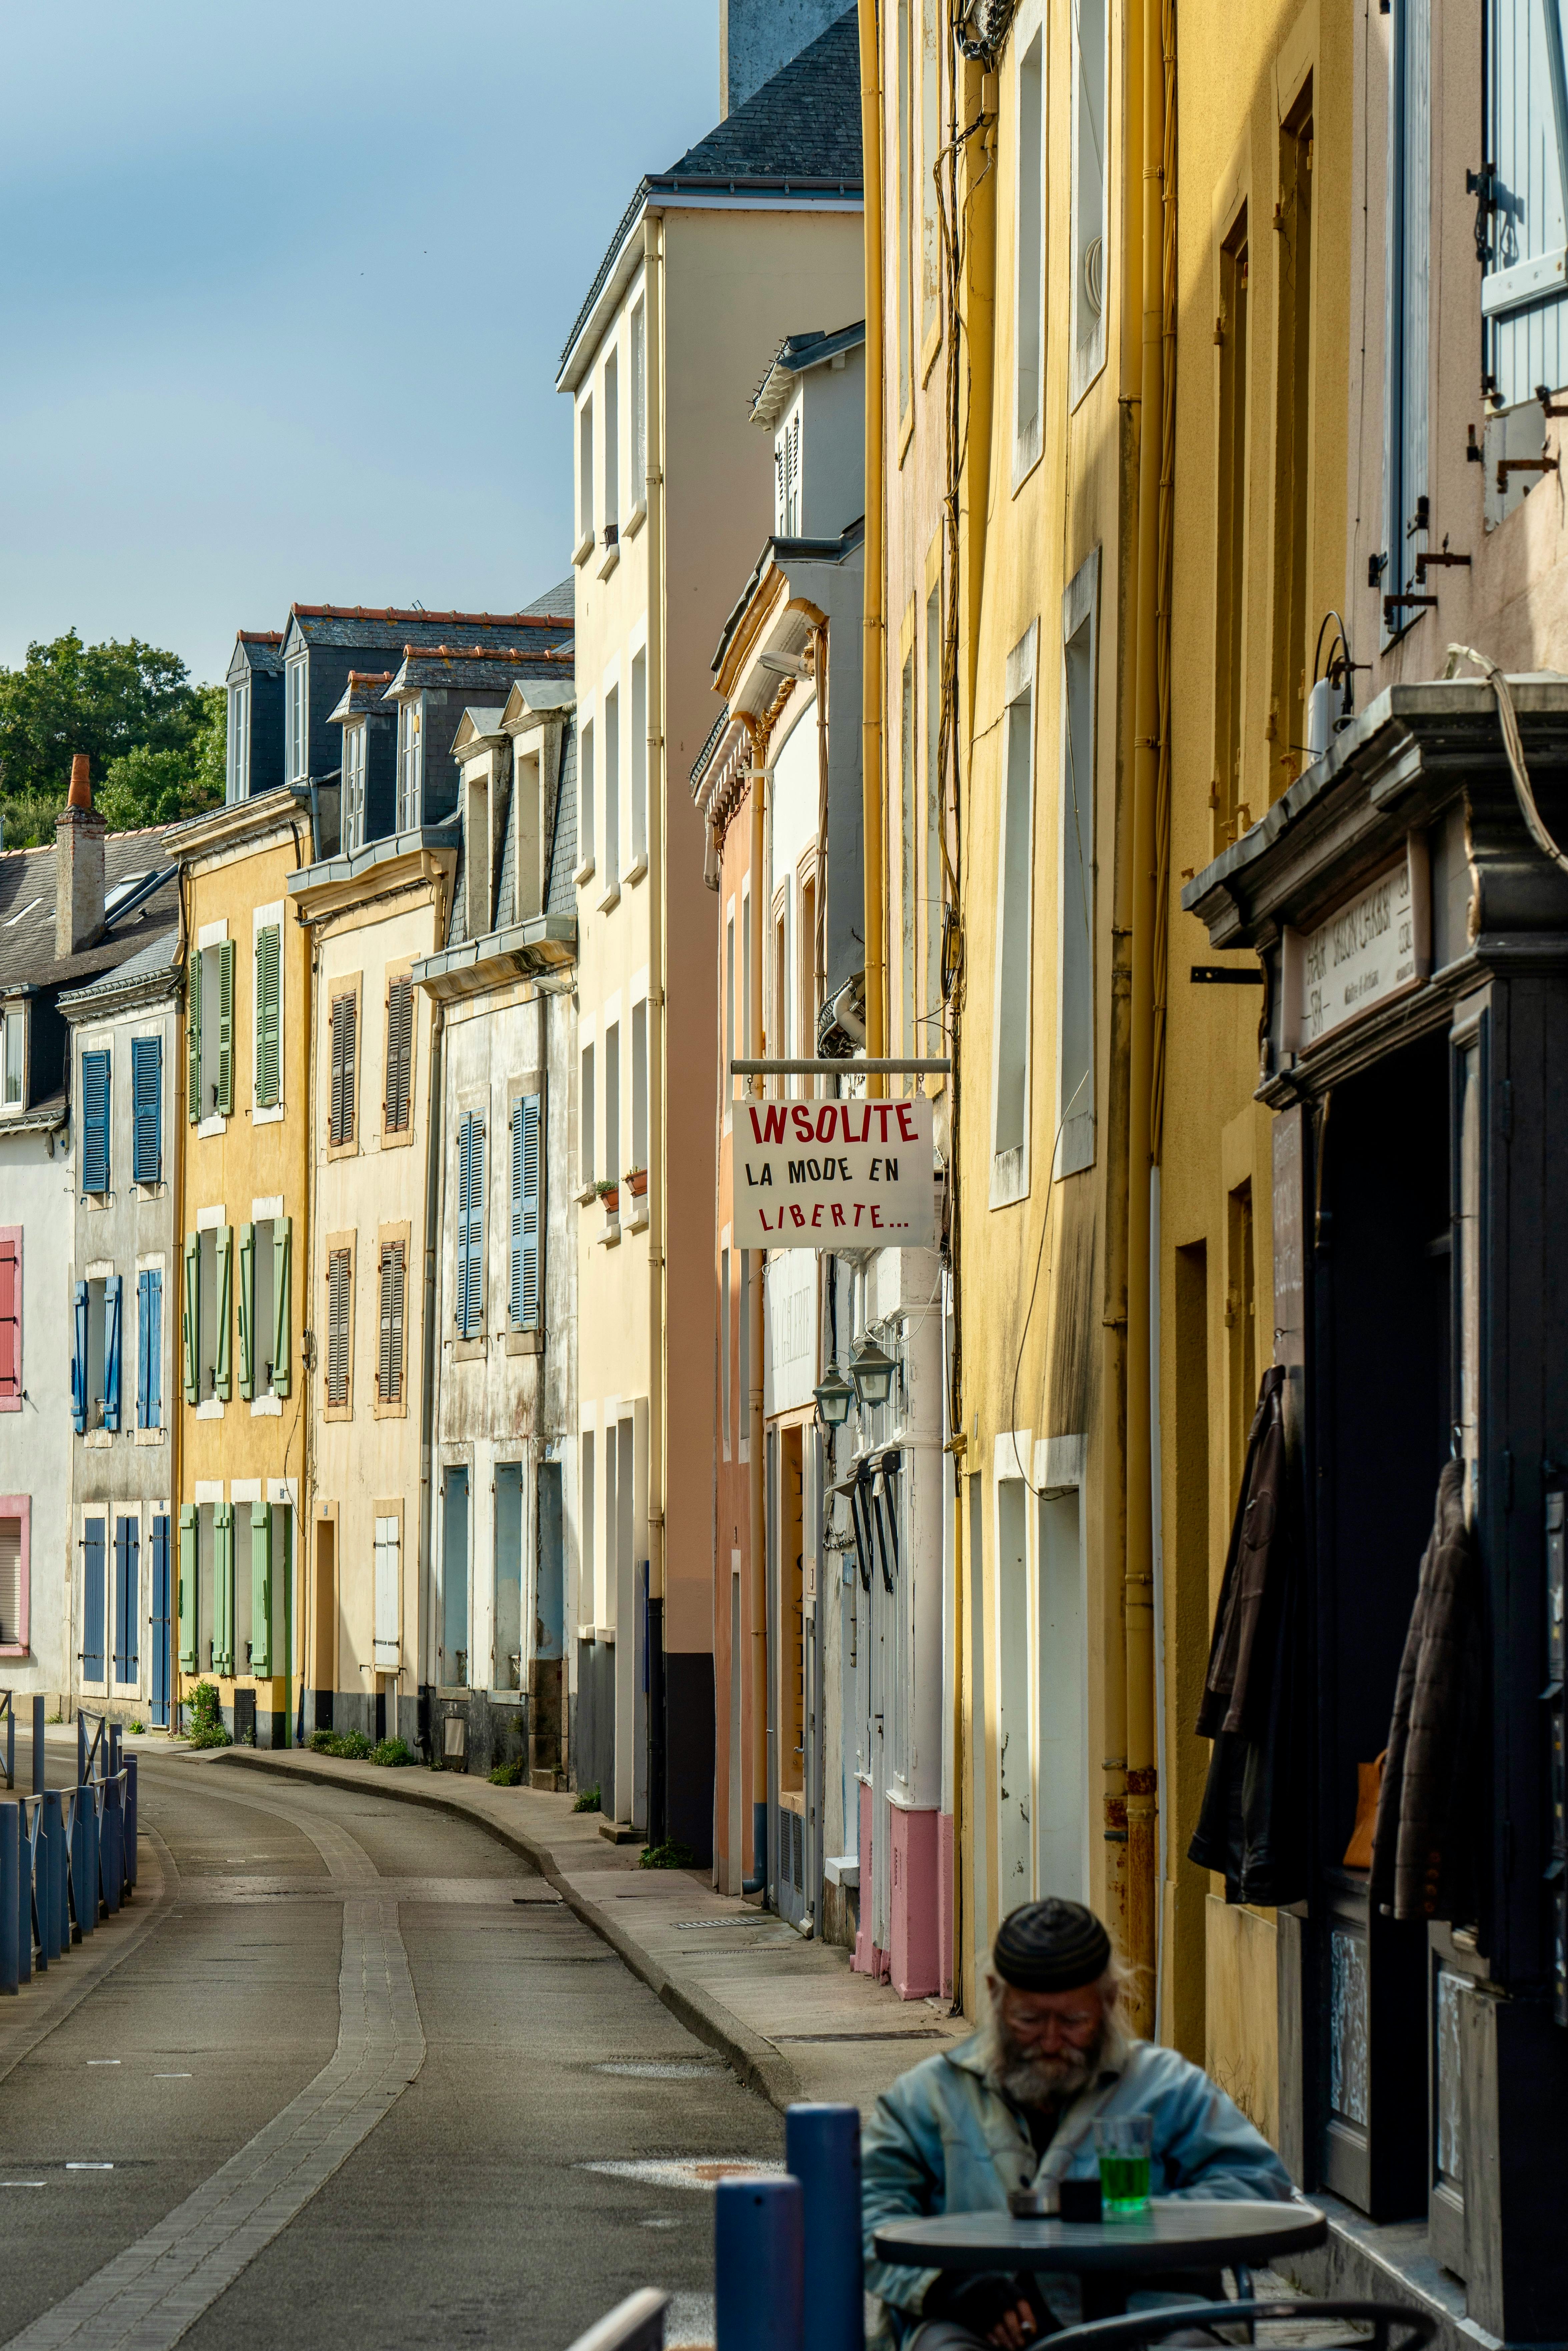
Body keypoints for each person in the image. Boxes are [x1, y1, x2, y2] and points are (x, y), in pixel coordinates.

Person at [862, 1899, 1295, 2349]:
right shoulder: (928, 2096)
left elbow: (1260, 2186)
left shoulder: (1168, 2087)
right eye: (1029, 2019)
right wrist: (944, 2285)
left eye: (1074, 2021)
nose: (1050, 2041)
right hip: (980, 2323)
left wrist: (1140, 2224)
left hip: (1150, 2315)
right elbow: (866, 2212)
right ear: (994, 1995)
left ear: (1108, 2001)